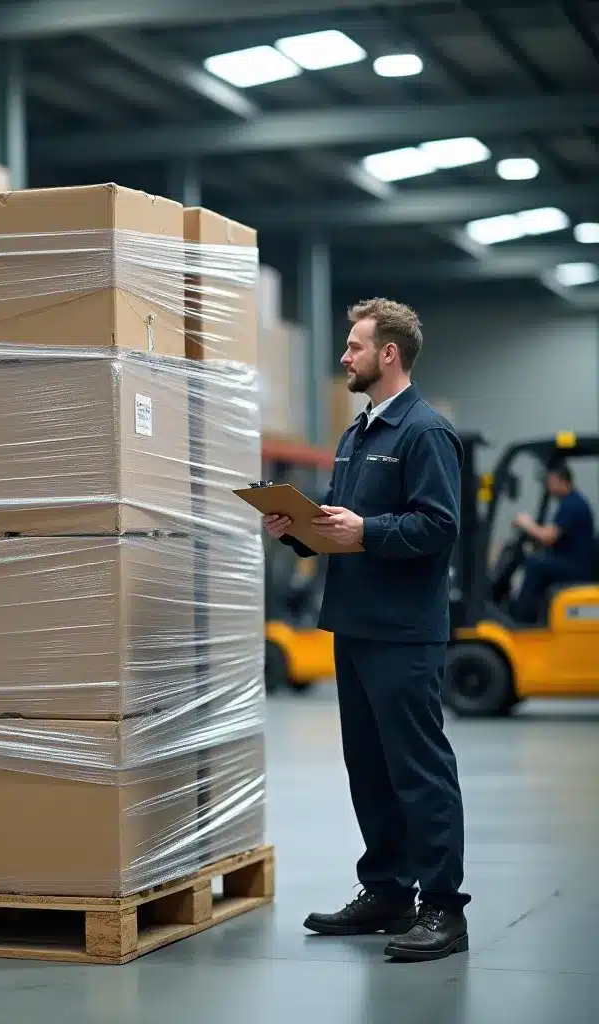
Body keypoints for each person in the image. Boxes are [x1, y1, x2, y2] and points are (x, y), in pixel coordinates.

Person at [264, 298, 469, 963]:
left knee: (419, 772)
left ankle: (442, 907)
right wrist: (297, 532)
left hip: (404, 634)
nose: (343, 358)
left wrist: (368, 530)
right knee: (370, 772)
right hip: (353, 626)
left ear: (388, 354)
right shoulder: (356, 435)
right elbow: (339, 531)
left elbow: (440, 527)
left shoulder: (424, 433)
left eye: (353, 347)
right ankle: (386, 890)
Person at [509, 462, 595, 624]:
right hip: (571, 562)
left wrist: (526, 523)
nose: (548, 486)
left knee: (535, 564)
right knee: (537, 559)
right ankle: (529, 613)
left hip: (576, 567)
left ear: (562, 480)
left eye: (550, 482)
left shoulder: (572, 504)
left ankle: (521, 620)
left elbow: (548, 536)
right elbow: (551, 535)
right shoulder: (570, 502)